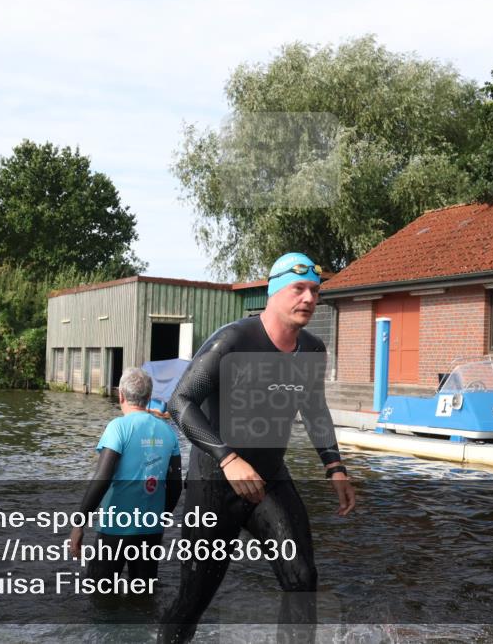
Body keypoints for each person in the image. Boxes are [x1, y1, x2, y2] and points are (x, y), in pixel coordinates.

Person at [158, 252, 356, 643]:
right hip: (214, 486)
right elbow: (179, 403)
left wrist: (335, 467)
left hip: (270, 480)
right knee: (193, 600)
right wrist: (227, 457)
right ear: (274, 291)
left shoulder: (312, 351)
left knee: (303, 580)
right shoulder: (233, 341)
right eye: (299, 289)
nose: (309, 299)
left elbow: (314, 407)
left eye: (315, 291)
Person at [69, 367, 182, 584]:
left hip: (115, 529)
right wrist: (160, 515)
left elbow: (102, 478)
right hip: (151, 529)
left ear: (120, 395)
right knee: (144, 595)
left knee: (99, 594)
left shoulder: (118, 428)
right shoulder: (168, 432)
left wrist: (79, 524)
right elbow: (175, 486)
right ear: (149, 398)